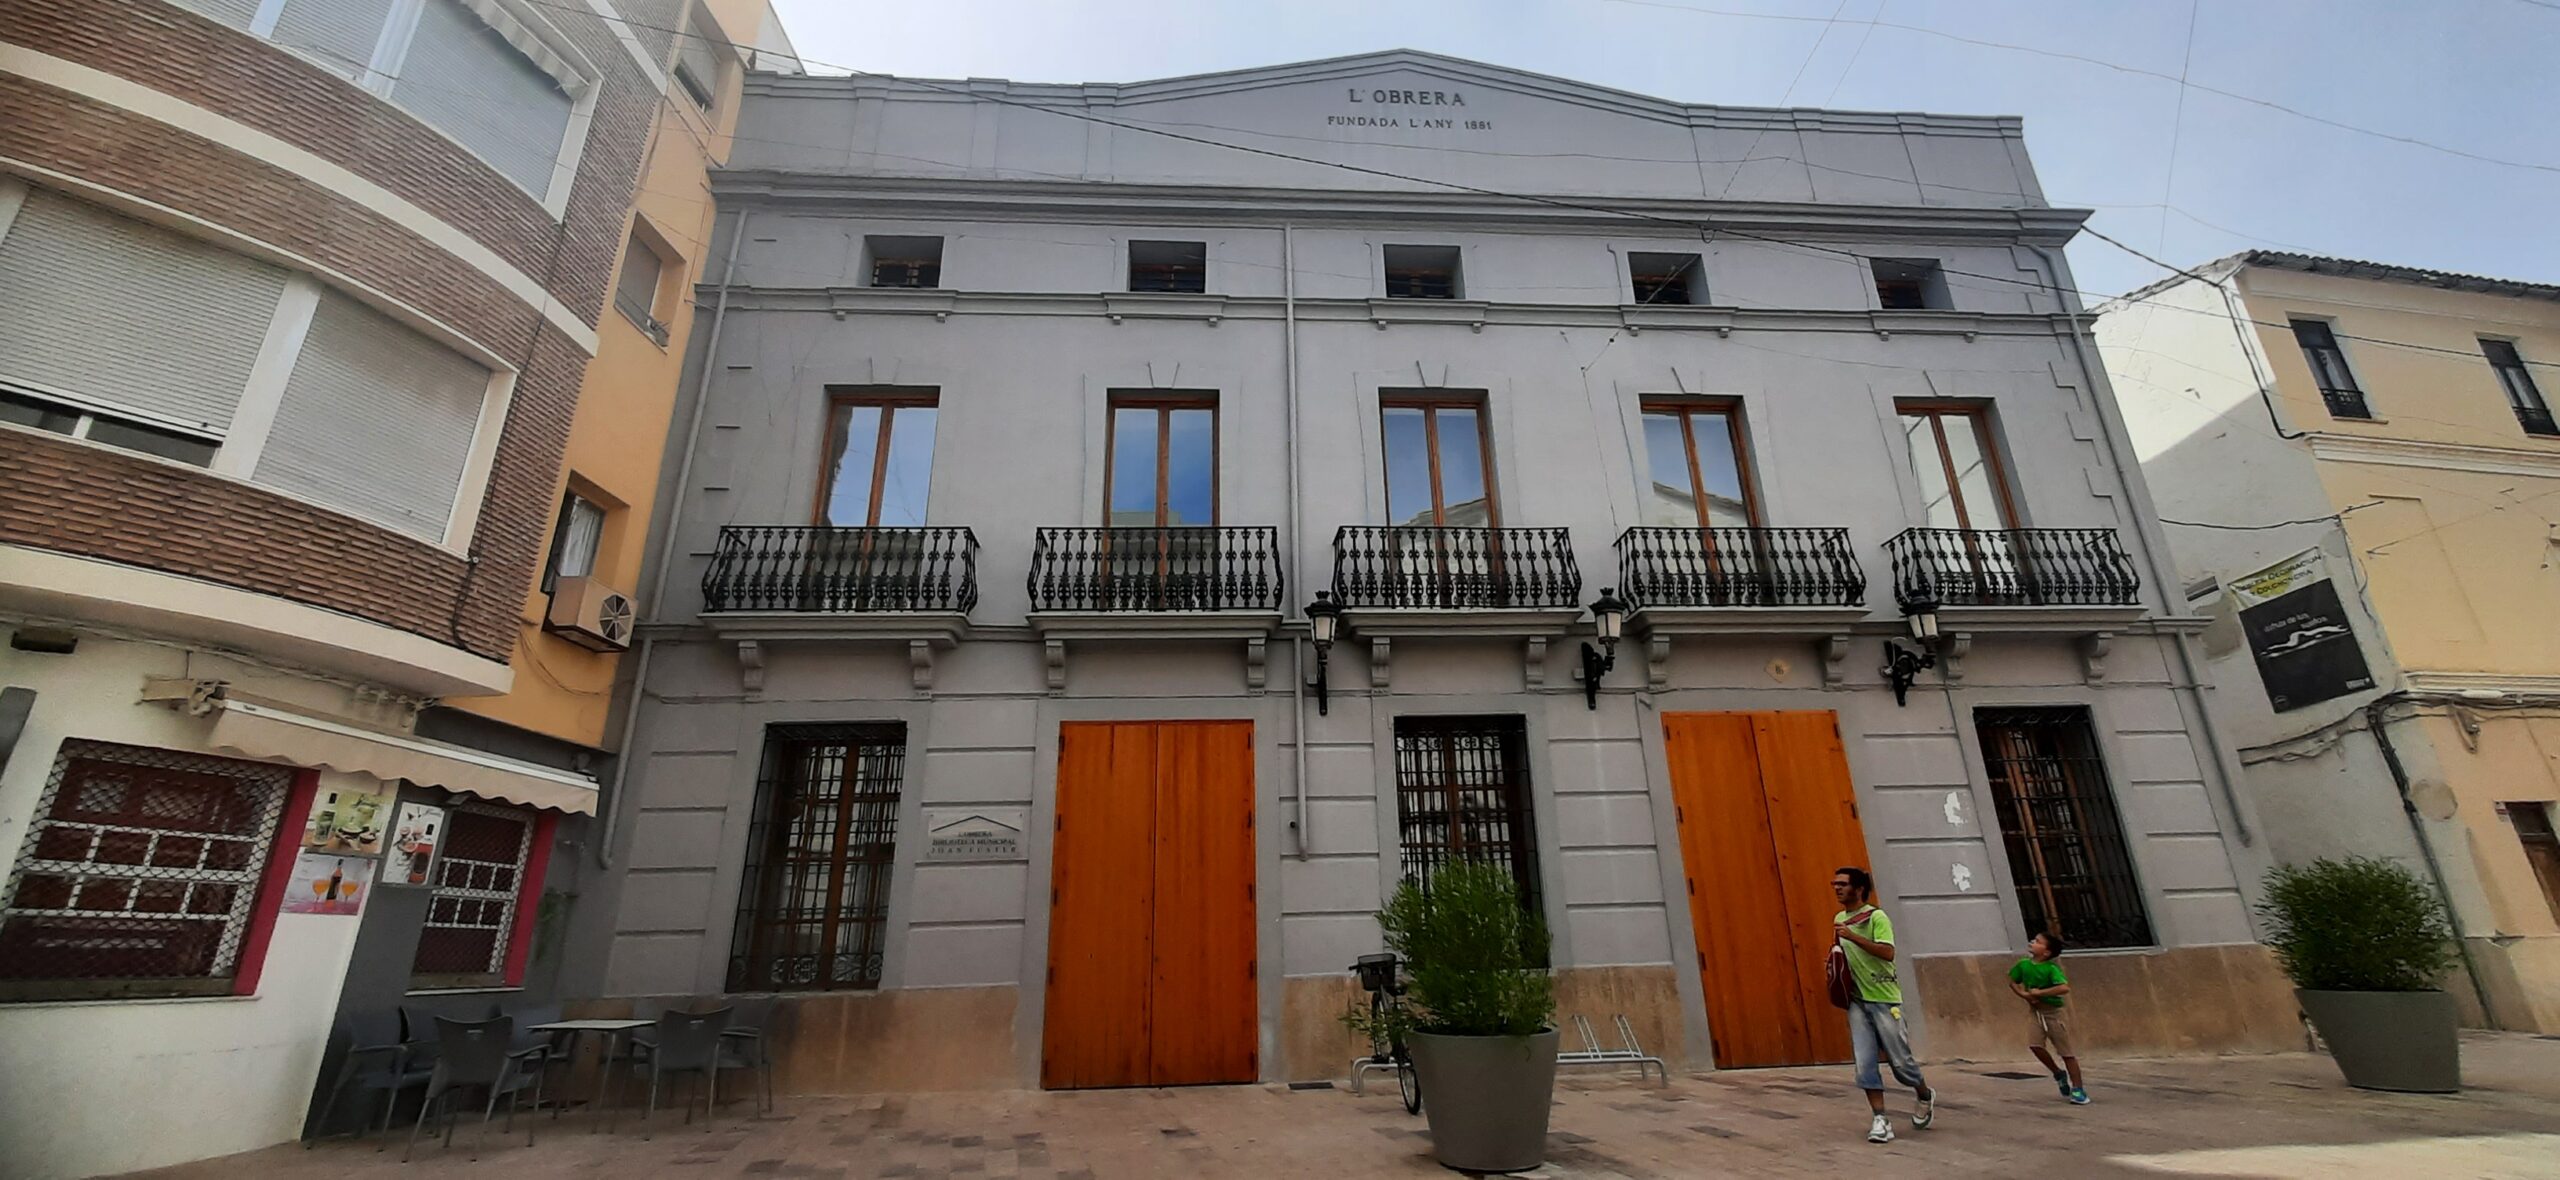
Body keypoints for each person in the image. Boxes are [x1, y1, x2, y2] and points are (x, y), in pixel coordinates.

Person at [1832, 866, 1935, 1144]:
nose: (1837, 888)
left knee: (1901, 1062)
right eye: (1835, 884)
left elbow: (1888, 952)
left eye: (1842, 884)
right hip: (1857, 1002)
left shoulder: (1877, 917)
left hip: (1885, 998)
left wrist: (1853, 937)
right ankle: (1880, 1119)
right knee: (1865, 1063)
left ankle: (1924, 1094)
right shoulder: (1839, 918)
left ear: (1859, 888)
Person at [2010, 930, 2088, 1104]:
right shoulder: (2023, 965)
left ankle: (2078, 1088)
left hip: (2054, 1013)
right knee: (2035, 1045)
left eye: (2038, 941)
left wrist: (2041, 993)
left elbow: (2063, 988)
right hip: (2035, 1011)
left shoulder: (2051, 969)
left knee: (2066, 1052)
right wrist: (2024, 995)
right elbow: (2012, 980)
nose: (2033, 942)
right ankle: (2057, 1073)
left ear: (2046, 952)